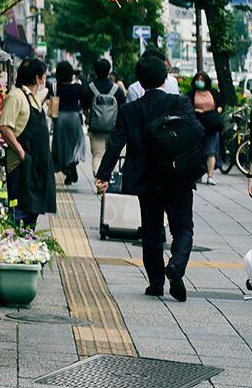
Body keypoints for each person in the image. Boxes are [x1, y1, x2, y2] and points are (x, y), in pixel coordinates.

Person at [95, 53, 205, 301]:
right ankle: (176, 265)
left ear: (140, 82)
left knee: (151, 230)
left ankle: (156, 283)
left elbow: (115, 144)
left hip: (146, 179)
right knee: (183, 227)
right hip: (178, 176)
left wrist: (103, 175)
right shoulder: (180, 103)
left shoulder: (130, 110)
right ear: (165, 77)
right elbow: (199, 132)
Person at [0, 58, 56, 227]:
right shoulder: (16, 96)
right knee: (20, 214)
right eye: (43, 75)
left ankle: (27, 241)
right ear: (37, 77)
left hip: (36, 167)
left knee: (32, 214)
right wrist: (22, 153)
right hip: (22, 166)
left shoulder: (34, 98)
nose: (45, 78)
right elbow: (4, 126)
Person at [51, 60, 89, 186]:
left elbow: (50, 103)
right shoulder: (78, 87)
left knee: (61, 144)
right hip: (74, 117)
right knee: (76, 143)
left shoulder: (54, 87)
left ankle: (66, 168)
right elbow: (84, 102)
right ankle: (72, 162)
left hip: (60, 118)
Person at [85, 58, 126, 167]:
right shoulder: (117, 90)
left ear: (95, 71)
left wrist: (88, 118)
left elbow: (84, 107)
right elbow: (123, 109)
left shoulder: (90, 88)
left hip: (96, 129)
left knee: (97, 156)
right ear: (109, 71)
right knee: (112, 156)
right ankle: (109, 175)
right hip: (113, 129)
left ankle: (98, 176)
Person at [191, 72, 223, 186]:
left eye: (202, 79)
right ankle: (197, 174)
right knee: (197, 151)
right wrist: (196, 110)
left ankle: (210, 176)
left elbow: (221, 104)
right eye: (198, 79)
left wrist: (216, 112)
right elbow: (187, 107)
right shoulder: (192, 94)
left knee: (211, 151)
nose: (200, 81)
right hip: (198, 125)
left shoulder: (213, 93)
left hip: (212, 125)